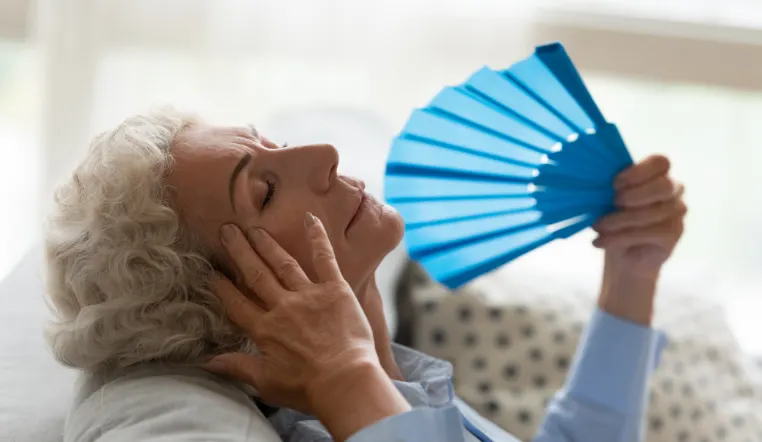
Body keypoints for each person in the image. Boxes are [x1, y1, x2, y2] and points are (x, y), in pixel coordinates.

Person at [45, 108, 686, 442]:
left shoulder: (393, 387)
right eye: (265, 191)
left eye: (270, 139)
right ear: (233, 304)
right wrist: (346, 373)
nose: (323, 154)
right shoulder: (340, 420)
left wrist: (632, 276)